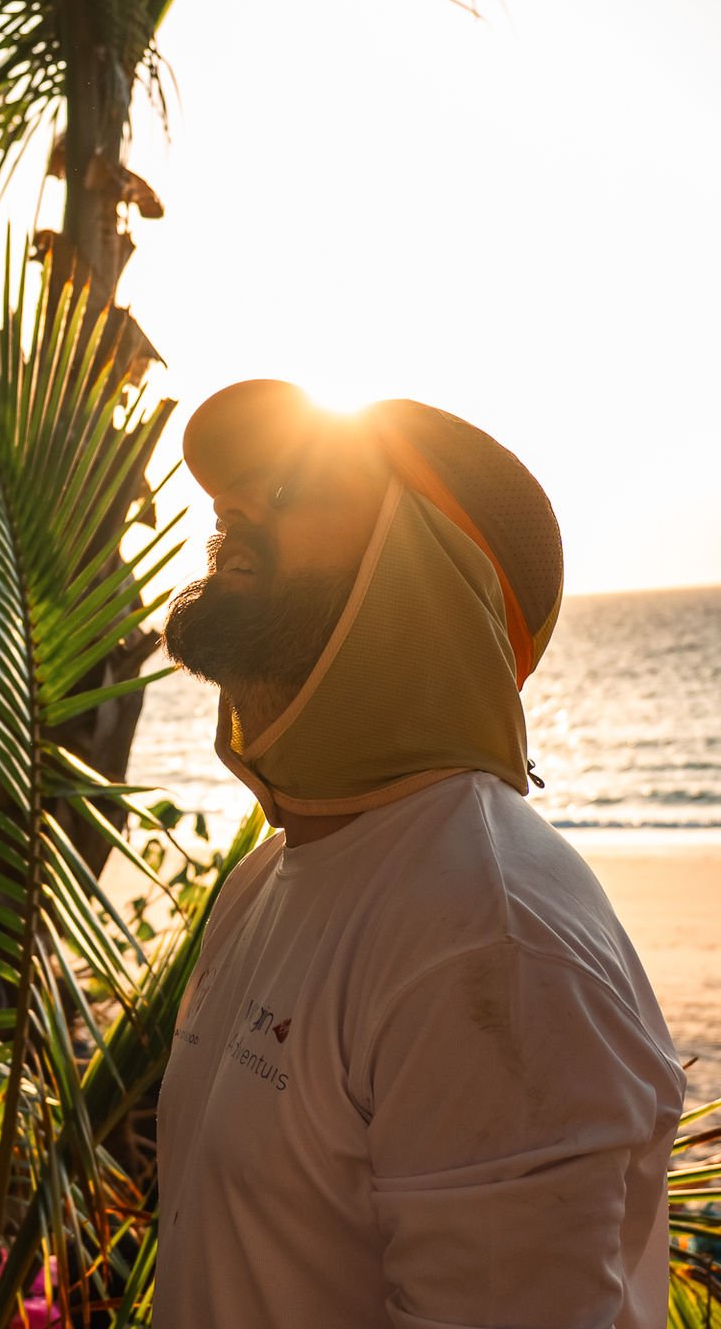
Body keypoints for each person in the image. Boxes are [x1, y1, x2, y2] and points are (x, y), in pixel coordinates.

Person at [154, 379, 685, 1328]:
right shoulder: (267, 881)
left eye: (286, 493)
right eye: (231, 497)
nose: (229, 509)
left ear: (421, 578)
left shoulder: (489, 937)